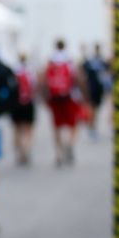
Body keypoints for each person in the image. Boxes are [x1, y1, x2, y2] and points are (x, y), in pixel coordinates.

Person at [43, 39, 80, 167]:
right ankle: (69, 143)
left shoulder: (50, 61)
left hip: (55, 98)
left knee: (57, 126)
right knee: (72, 124)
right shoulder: (69, 60)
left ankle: (58, 152)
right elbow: (77, 78)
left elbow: (43, 79)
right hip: (68, 97)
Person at [10, 53, 36, 165]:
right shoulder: (30, 71)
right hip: (28, 103)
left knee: (17, 129)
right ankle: (26, 149)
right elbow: (35, 86)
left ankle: (19, 152)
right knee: (28, 129)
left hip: (15, 103)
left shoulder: (14, 71)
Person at [81, 43, 110, 140]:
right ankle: (92, 128)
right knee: (93, 110)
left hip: (93, 89)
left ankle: (92, 128)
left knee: (94, 110)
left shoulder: (91, 62)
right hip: (95, 89)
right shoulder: (101, 62)